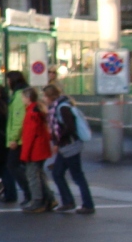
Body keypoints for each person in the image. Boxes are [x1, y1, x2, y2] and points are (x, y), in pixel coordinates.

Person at [44, 83, 95, 214]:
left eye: (45, 96)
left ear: (50, 96)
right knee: (58, 173)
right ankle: (69, 202)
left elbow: (70, 128)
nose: (44, 99)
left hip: (70, 146)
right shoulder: (59, 106)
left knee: (76, 176)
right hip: (66, 146)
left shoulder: (62, 108)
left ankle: (86, 204)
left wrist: (58, 140)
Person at [20, 87, 57, 213]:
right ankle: (49, 198)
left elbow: (30, 136)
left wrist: (25, 154)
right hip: (41, 148)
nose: (22, 100)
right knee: (39, 174)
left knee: (32, 175)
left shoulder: (31, 113)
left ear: (28, 98)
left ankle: (37, 201)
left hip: (34, 149)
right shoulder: (38, 110)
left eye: (23, 97)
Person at [4, 71, 31, 207]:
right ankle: (33, 194)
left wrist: (13, 138)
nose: (7, 83)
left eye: (8, 80)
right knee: (26, 168)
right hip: (21, 138)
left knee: (13, 165)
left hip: (19, 139)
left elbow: (18, 119)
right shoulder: (19, 94)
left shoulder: (19, 96)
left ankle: (29, 193)